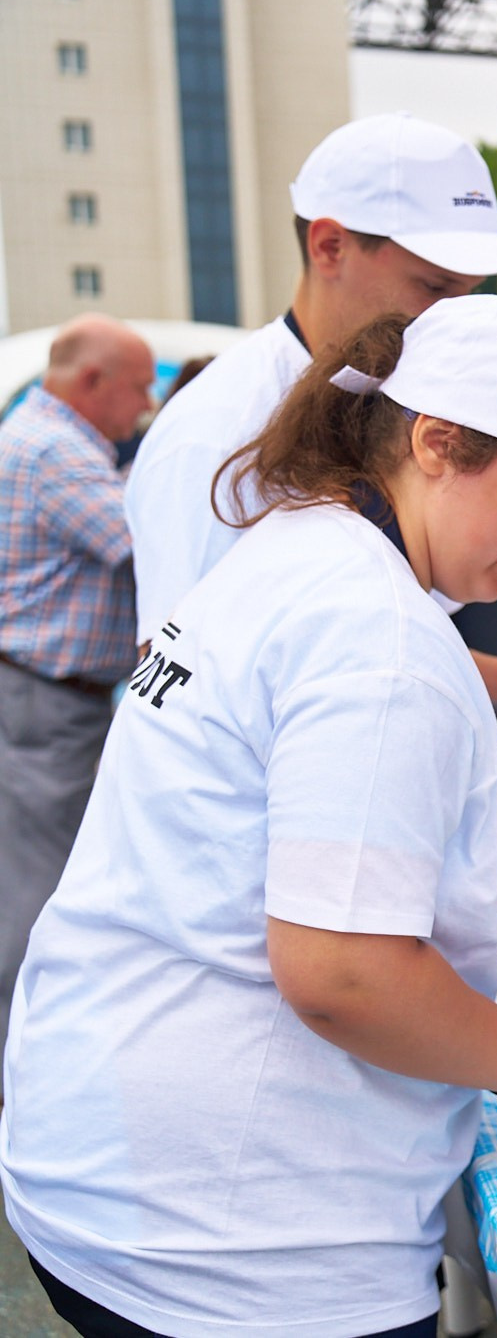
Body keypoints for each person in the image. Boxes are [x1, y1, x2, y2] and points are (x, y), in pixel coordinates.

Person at [2, 295, 497, 1336]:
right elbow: (343, 974)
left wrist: (486, 945)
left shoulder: (299, 549)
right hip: (230, 1243)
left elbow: (253, 848)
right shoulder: (378, 634)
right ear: (437, 442)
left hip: (103, 1156)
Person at [123, 112, 497, 804]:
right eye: (434, 287)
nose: (456, 315)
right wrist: (471, 724)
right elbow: (194, 698)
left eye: (472, 291)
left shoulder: (388, 403)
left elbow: (366, 643)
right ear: (329, 245)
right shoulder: (217, 434)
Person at [0, 315, 155, 1055]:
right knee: (35, 897)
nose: (145, 409)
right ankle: (24, 1072)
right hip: (48, 702)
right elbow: (141, 541)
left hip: (44, 696)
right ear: (92, 383)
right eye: (139, 391)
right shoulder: (57, 451)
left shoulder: (42, 437)